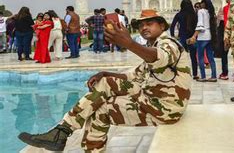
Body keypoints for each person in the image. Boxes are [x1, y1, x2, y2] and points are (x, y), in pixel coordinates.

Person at [18, 9, 192, 152]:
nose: (144, 28)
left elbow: (159, 58)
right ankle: (62, 131)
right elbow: (134, 75)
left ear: (162, 25)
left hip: (166, 107)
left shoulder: (169, 44)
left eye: (149, 23)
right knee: (104, 90)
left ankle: (62, 133)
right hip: (152, 99)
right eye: (141, 25)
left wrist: (129, 43)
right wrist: (105, 73)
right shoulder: (153, 46)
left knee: (102, 110)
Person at [190, 0, 218, 82]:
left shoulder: (201, 11)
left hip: (202, 37)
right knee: (211, 58)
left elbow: (200, 25)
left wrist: (194, 36)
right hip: (210, 35)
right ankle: (213, 76)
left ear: (204, 4)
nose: (200, 5)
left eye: (201, 3)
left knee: (200, 57)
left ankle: (203, 76)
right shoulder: (211, 12)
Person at [170, 0, 198, 79]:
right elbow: (197, 26)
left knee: (181, 57)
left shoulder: (179, 14)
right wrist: (195, 36)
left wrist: (173, 37)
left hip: (182, 38)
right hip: (192, 38)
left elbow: (172, 26)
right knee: (193, 57)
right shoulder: (194, 14)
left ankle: (181, 74)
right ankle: (195, 74)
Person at [216, 0, 234, 80]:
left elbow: (219, 22)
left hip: (226, 35)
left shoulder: (224, 9)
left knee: (224, 55)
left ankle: (225, 74)